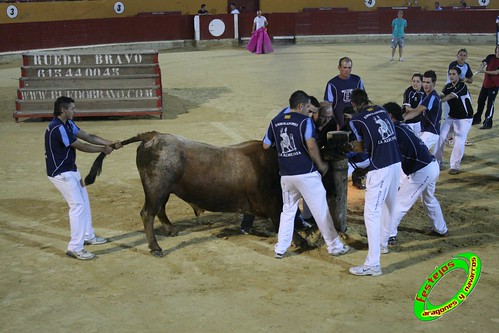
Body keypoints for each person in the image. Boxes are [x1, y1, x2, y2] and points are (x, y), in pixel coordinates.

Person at [263, 90, 350, 259]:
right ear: (301, 105)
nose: (309, 112)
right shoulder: (305, 122)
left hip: (286, 176)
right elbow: (311, 145)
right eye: (308, 108)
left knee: (287, 211)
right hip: (306, 174)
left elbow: (266, 145)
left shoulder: (275, 121)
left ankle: (280, 248)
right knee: (321, 210)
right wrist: (321, 164)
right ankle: (334, 246)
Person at [45, 96, 122, 260]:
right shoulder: (57, 128)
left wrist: (110, 142)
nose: (75, 111)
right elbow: (81, 146)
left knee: (84, 201)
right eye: (72, 109)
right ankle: (75, 247)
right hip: (61, 174)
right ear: (63, 110)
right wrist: (103, 149)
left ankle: (88, 236)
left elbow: (88, 136)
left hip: (71, 170)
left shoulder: (67, 124)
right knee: (77, 205)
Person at [239, 98, 321, 235]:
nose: (311, 115)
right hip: (275, 161)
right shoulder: (295, 120)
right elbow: (268, 143)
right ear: (302, 106)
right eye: (310, 111)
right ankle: (248, 224)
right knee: (265, 192)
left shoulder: (286, 115)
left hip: (278, 159)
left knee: (282, 193)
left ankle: (297, 220)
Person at [347, 89, 401, 276]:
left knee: (371, 213)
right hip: (396, 163)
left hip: (380, 167)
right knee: (389, 206)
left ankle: (373, 264)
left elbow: (361, 146)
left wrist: (348, 147)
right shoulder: (382, 110)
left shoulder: (355, 120)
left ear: (354, 104)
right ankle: (383, 244)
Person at [382, 102, 448, 247]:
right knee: (429, 199)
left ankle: (388, 236)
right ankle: (441, 229)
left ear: (390, 116)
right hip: (431, 166)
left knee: (400, 202)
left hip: (422, 170)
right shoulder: (402, 127)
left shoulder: (395, 130)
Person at [323, 57, 369, 189]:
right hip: (340, 122)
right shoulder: (332, 83)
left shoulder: (357, 80)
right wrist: (335, 122)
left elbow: (363, 99)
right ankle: (336, 179)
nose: (347, 70)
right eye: (344, 67)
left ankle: (357, 176)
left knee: (360, 146)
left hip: (356, 121)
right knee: (340, 150)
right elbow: (328, 104)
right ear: (339, 68)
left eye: (349, 68)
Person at [434, 67, 474, 175]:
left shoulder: (462, 86)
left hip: (464, 119)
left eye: (453, 74)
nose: (451, 76)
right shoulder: (448, 86)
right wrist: (433, 98)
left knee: (459, 139)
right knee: (440, 137)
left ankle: (454, 166)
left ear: (459, 75)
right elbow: (441, 95)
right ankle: (436, 162)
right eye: (450, 74)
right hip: (452, 117)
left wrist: (437, 101)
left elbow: (449, 96)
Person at [403, 70, 442, 151]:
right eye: (423, 82)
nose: (425, 85)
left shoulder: (432, 97)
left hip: (431, 133)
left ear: (434, 83)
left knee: (417, 152)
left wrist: (402, 119)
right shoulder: (425, 94)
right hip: (424, 130)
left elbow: (417, 111)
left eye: (428, 82)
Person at [443, 49, 474, 146]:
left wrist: (466, 79)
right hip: (450, 90)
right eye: (461, 55)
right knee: (449, 115)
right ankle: (449, 137)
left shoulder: (466, 66)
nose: (462, 57)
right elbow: (454, 76)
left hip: (460, 92)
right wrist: (461, 79)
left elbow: (471, 80)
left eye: (464, 55)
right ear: (457, 55)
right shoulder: (453, 65)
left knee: (461, 115)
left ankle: (461, 136)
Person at [473, 44, 499, 129]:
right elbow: (484, 62)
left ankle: (488, 121)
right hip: (485, 84)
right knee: (480, 101)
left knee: (490, 104)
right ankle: (477, 118)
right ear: (496, 49)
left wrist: (484, 71)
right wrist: (481, 67)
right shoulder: (490, 57)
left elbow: (496, 72)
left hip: (494, 86)